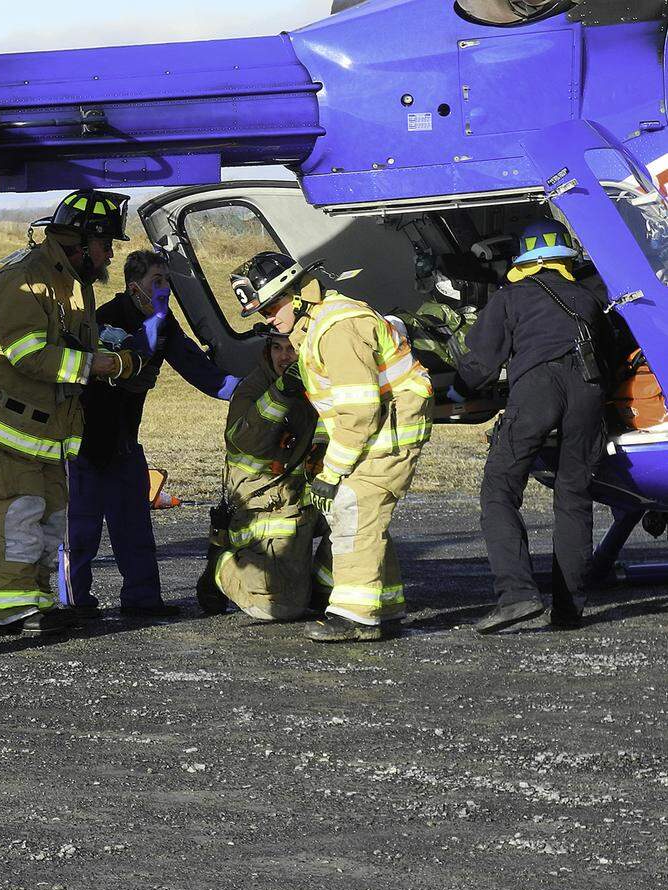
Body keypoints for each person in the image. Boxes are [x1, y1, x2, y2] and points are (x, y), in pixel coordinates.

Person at [0, 190, 135, 635]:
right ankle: (12, 613)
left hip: (43, 434)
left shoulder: (72, 283)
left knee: (47, 523)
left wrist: (116, 358)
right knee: (16, 521)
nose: (110, 254)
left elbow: (73, 345)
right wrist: (95, 365)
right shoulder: (22, 281)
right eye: (105, 244)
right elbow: (28, 354)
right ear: (80, 242)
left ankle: (38, 603)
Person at [231, 251, 434, 642]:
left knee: (353, 506)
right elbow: (336, 409)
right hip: (378, 430)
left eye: (273, 305)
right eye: (263, 311)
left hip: (388, 431)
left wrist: (333, 471)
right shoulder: (313, 327)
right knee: (366, 514)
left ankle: (355, 617)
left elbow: (359, 412)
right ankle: (385, 606)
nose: (269, 318)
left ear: (296, 293)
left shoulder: (337, 328)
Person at [453, 217, 614, 633]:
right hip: (589, 391)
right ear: (565, 257)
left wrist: (454, 391)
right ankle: (568, 610)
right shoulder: (587, 299)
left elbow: (481, 365)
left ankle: (517, 596)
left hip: (538, 389)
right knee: (574, 497)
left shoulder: (511, 298)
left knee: (500, 489)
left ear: (523, 259)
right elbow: (610, 358)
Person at [59, 250, 241, 619]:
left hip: (124, 439)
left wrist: (252, 392)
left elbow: (201, 371)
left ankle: (142, 600)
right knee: (80, 532)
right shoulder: (107, 318)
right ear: (133, 287)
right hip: (84, 440)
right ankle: (74, 603)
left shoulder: (164, 322)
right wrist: (146, 336)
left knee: (134, 527)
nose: (164, 291)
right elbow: (112, 365)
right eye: (157, 283)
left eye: (167, 283)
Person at [195, 315, 317, 621]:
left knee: (357, 514)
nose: (284, 356)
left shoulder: (316, 383)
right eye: (278, 348)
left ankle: (325, 588)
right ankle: (221, 565)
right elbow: (245, 442)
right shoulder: (252, 388)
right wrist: (281, 394)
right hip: (263, 507)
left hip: (305, 499)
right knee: (279, 607)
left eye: (292, 348)